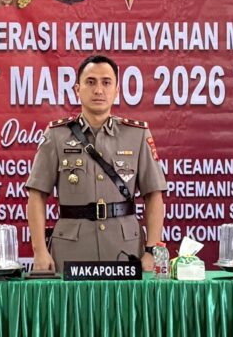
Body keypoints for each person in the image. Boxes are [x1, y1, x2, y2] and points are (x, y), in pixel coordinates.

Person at [26, 54, 167, 273]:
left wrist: (151, 251)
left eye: (106, 83)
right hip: (71, 250)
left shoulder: (137, 135)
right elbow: (37, 195)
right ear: (77, 89)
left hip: (125, 249)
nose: (99, 90)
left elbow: (154, 195)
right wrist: (39, 251)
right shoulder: (56, 135)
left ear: (117, 90)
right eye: (90, 82)